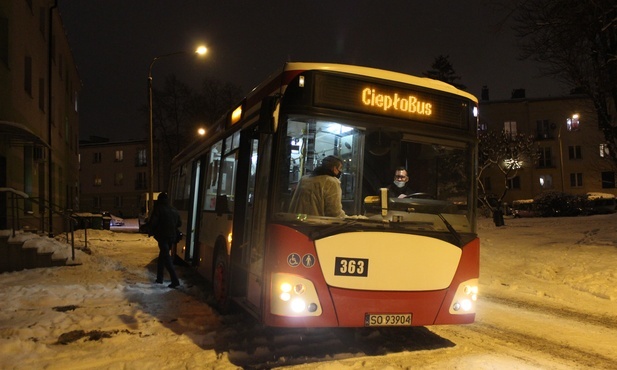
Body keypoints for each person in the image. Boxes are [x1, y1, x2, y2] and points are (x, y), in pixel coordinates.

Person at [147, 192, 181, 288]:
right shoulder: (173, 210)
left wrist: (150, 229)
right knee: (162, 257)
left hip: (162, 237)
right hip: (172, 237)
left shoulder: (158, 209)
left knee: (166, 258)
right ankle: (159, 278)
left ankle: (175, 280)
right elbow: (179, 223)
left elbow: (153, 222)